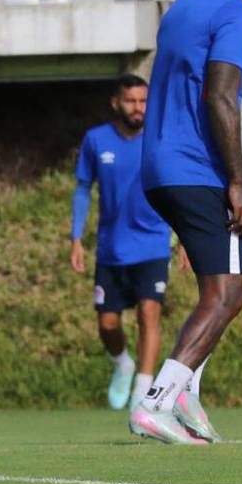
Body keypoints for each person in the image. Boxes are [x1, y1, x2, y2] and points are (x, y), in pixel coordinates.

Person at [130, 0, 242, 445]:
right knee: (224, 289)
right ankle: (157, 402)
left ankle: (185, 389)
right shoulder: (235, 12)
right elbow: (220, 97)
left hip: (159, 168)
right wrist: (238, 182)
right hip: (198, 170)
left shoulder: (182, 8)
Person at [70, 74, 184, 413]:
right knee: (107, 324)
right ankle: (123, 364)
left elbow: (177, 191)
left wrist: (185, 238)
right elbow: (82, 189)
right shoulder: (96, 140)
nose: (138, 108)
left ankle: (143, 393)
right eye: (131, 101)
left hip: (153, 244)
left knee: (149, 313)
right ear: (116, 103)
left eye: (144, 101)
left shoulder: (159, 140)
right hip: (112, 249)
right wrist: (76, 237)